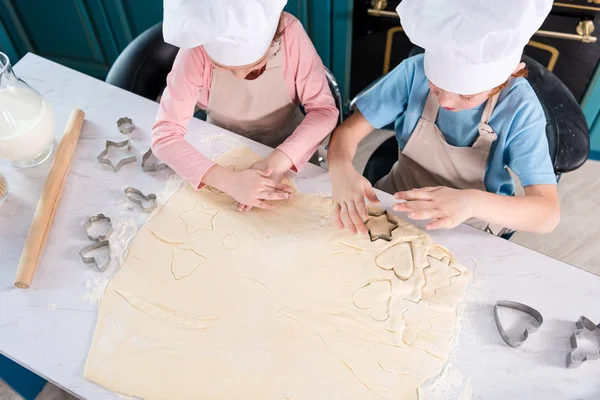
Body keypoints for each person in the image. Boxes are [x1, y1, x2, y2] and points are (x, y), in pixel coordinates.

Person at [327, 0, 560, 236]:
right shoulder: (413, 73)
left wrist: (470, 203)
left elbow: (547, 214)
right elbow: (349, 131)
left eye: (466, 95)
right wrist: (340, 168)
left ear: (507, 76)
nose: (445, 102)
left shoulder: (519, 108)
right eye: (435, 86)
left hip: (471, 223)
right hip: (398, 200)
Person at [153, 0, 338, 211]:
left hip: (293, 153)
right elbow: (164, 136)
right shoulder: (195, 51)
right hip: (222, 156)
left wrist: (277, 162)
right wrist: (230, 182)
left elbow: (324, 111)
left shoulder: (290, 34)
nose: (240, 76)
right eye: (222, 67)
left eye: (255, 67)